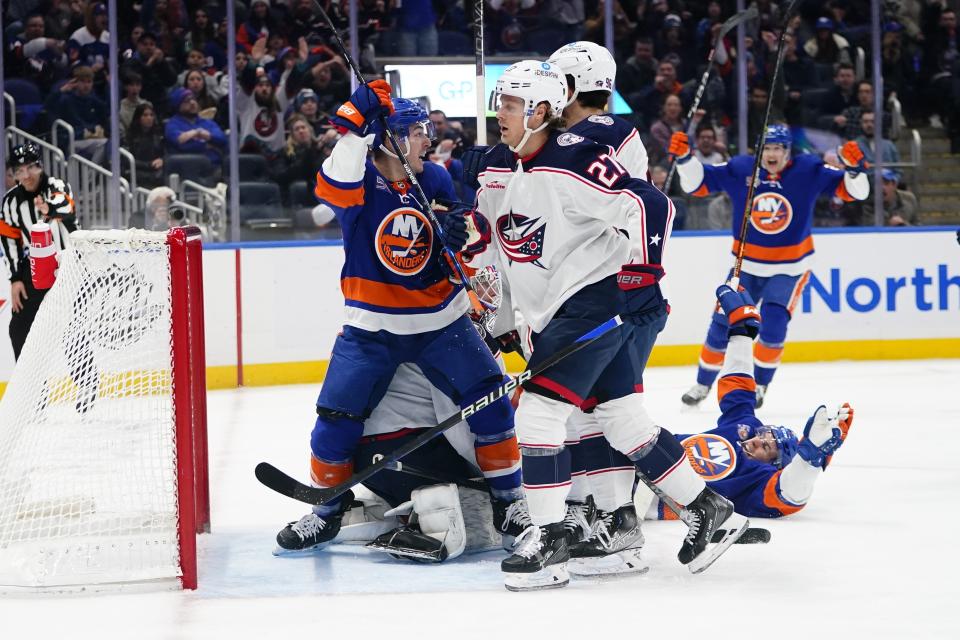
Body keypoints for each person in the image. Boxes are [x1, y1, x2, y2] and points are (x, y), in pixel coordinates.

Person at [466, 60, 747, 591]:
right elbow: (496, 247)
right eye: (498, 102)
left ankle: (548, 542)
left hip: (593, 301)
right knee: (621, 417)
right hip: (561, 310)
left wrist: (644, 273)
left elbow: (650, 203)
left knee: (540, 417)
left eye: (509, 104)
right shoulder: (501, 167)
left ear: (541, 111)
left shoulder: (576, 158)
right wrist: (501, 313)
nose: (496, 113)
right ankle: (709, 507)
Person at [273, 84, 525, 555]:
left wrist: (453, 236)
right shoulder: (359, 182)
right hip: (371, 327)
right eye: (416, 131)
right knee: (335, 419)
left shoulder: (435, 179)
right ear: (388, 139)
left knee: (492, 398)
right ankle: (325, 512)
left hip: (441, 321)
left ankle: (510, 502)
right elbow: (332, 183)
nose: (428, 139)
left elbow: (453, 250)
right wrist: (353, 124)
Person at [670, 124, 870, 409]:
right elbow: (696, 184)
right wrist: (685, 160)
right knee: (721, 325)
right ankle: (703, 384)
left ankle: (760, 384)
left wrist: (855, 169)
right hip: (745, 267)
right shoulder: (742, 169)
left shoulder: (808, 170)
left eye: (778, 148)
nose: (772, 154)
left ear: (788, 151)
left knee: (774, 325)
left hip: (789, 268)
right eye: (767, 148)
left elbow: (855, 192)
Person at [642, 282, 855, 519]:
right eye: (763, 436)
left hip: (648, 496)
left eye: (766, 447)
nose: (756, 440)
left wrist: (810, 459)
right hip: (644, 452)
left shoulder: (757, 478)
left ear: (774, 465)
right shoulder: (744, 428)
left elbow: (788, 496)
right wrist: (741, 335)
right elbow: (739, 385)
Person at [0, 143, 76, 360]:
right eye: (19, 170)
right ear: (14, 174)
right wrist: (15, 278)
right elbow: (9, 239)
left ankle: (87, 390)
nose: (26, 174)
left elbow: (67, 207)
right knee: (19, 329)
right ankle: (33, 390)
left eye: (31, 167)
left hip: (67, 268)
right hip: (33, 271)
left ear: (40, 166)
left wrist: (48, 208)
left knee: (72, 333)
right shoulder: (11, 201)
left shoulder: (56, 186)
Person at [848, 169, 919, 227]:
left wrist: (903, 225)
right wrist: (889, 224)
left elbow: (918, 226)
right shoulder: (867, 204)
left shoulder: (909, 199)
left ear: (894, 185)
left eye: (886, 183)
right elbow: (869, 227)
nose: (882, 188)